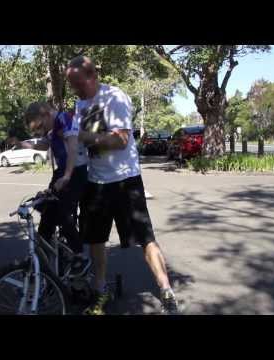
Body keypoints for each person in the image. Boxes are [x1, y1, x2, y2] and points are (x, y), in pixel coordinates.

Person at [66, 56, 183, 314]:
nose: (74, 89)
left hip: (124, 181)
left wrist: (83, 136)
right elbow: (75, 141)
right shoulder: (80, 103)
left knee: (145, 239)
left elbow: (120, 140)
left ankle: (166, 291)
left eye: (77, 83)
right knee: (96, 242)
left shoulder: (115, 98)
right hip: (95, 183)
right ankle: (100, 291)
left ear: (91, 76)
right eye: (71, 84)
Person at [8, 102, 91, 277]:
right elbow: (43, 145)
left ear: (45, 113)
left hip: (76, 173)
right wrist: (21, 143)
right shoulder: (53, 129)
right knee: (46, 213)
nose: (39, 131)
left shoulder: (65, 119)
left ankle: (80, 255)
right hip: (61, 173)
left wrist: (67, 176)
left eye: (39, 126)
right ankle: (41, 268)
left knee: (63, 212)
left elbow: (73, 148)